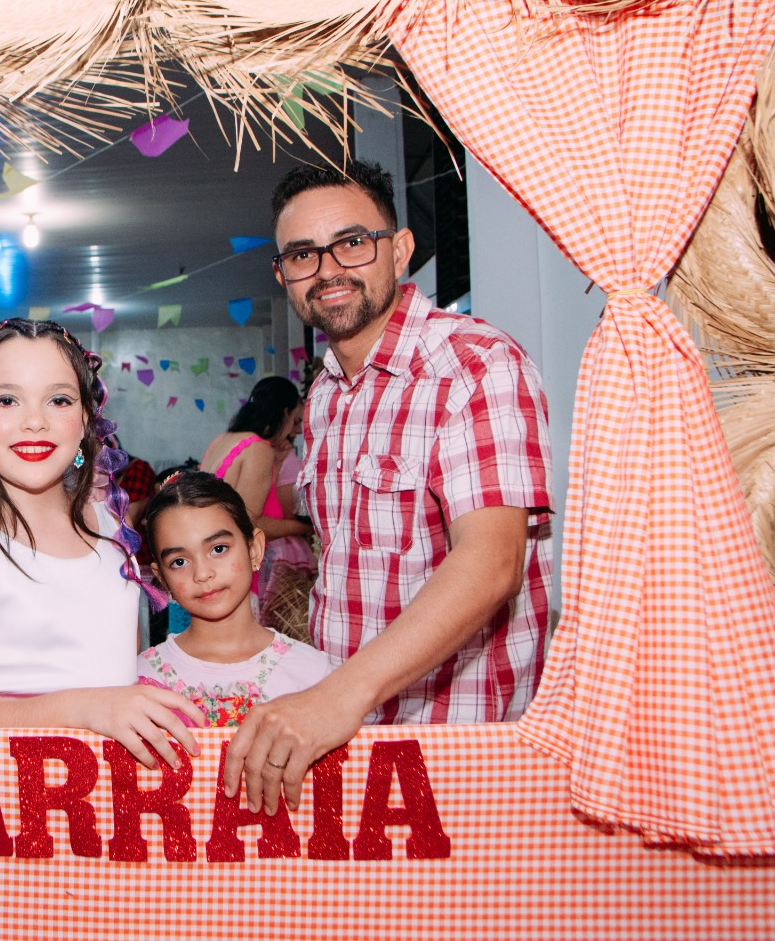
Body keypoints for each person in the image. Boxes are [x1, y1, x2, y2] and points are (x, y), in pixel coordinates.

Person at [226, 158, 553, 814]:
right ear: (283, 276)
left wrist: (338, 695)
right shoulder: (326, 395)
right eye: (303, 255)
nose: (328, 270)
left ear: (399, 250)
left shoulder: (474, 364)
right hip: (346, 747)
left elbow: (493, 563)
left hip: (456, 751)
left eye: (352, 242)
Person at [0, 318, 205, 768]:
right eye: (7, 400)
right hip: (5, 786)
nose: (35, 422)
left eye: (58, 400)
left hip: (115, 780)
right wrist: (83, 709)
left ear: (85, 420)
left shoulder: (111, 524)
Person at [135, 472, 334, 728]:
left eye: (218, 549)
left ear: (255, 549)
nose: (202, 573)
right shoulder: (142, 680)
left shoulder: (312, 673)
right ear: (162, 578)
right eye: (179, 562)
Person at [198, 376, 311, 546]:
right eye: (296, 421)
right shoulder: (258, 448)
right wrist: (310, 526)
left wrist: (277, 464)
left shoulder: (222, 439)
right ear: (285, 413)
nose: (298, 431)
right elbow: (249, 524)